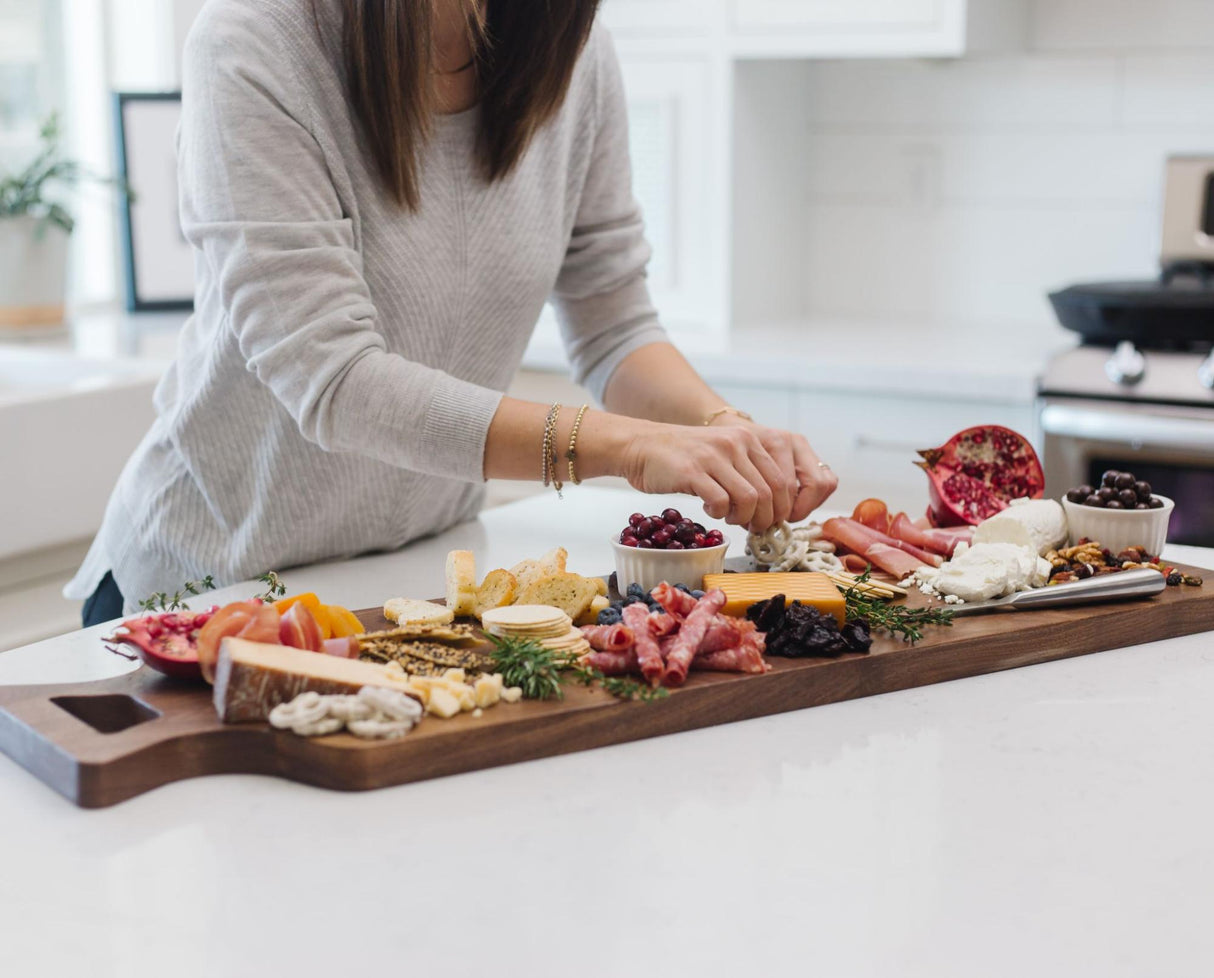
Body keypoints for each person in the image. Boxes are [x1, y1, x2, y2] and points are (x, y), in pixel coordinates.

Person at [70, 0, 837, 626]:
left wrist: (719, 427)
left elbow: (616, 326)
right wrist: (628, 448)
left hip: (411, 572)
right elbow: (335, 380)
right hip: (212, 581)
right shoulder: (253, 43)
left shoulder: (572, 54)